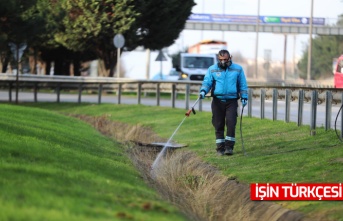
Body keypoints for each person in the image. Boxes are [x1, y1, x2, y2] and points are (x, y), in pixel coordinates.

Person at [199, 49, 248, 156]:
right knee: (218, 124)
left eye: (225, 59)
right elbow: (207, 82)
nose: (223, 62)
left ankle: (229, 147)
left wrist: (244, 96)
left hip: (232, 101)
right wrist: (203, 91)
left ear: (230, 58)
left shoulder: (238, 69)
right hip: (217, 101)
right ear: (218, 58)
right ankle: (220, 148)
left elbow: (242, 84)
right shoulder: (212, 69)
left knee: (231, 123)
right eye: (221, 60)